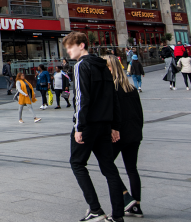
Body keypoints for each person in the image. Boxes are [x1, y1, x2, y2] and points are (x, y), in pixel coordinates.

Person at [62, 32, 124, 222]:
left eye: (70, 47)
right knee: (109, 168)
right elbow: (112, 97)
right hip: (105, 125)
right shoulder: (103, 66)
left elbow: (81, 99)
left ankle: (95, 210)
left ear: (81, 45)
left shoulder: (82, 65)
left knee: (77, 163)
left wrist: (79, 126)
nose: (68, 52)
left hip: (88, 125)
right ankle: (118, 216)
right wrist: (114, 125)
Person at [105, 55, 144, 218]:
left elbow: (113, 114)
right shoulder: (131, 88)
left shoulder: (110, 89)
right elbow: (139, 113)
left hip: (118, 134)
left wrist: (113, 130)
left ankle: (126, 197)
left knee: (106, 164)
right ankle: (137, 206)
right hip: (134, 134)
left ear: (111, 68)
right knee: (132, 169)